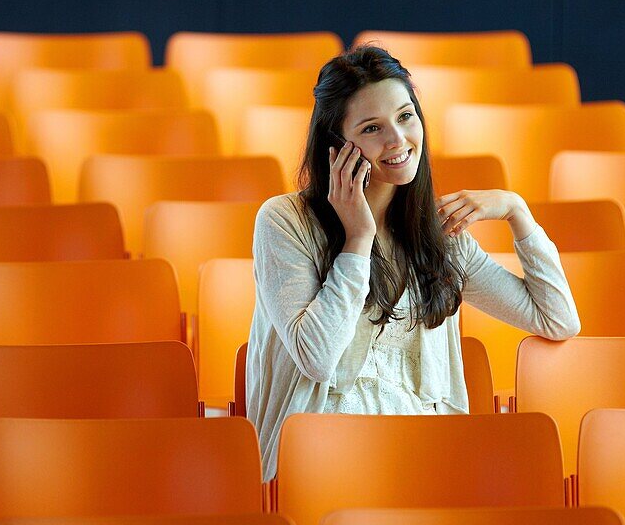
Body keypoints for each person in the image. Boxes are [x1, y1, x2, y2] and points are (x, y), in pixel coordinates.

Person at [246, 45, 580, 480]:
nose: (398, 141)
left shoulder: (438, 238)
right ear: (336, 147)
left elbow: (557, 319)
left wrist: (518, 213)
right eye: (372, 128)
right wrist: (358, 238)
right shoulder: (284, 222)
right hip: (323, 455)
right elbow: (318, 358)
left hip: (424, 453)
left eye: (405, 117)